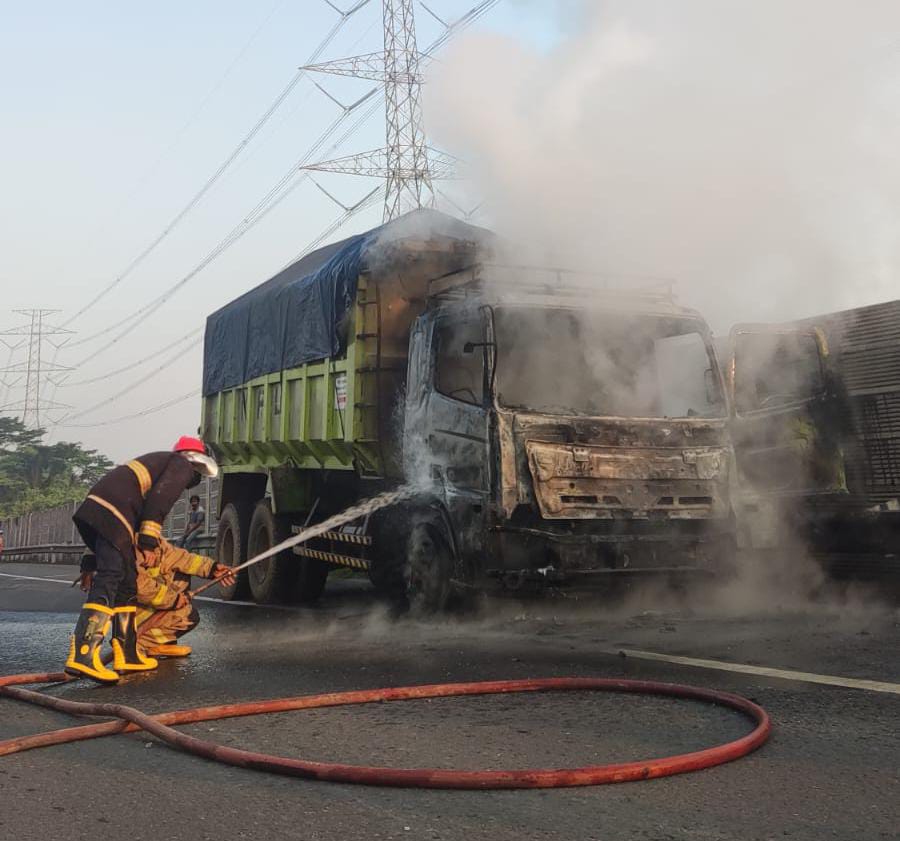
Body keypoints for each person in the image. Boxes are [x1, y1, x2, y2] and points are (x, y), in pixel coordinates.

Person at [66, 436, 219, 684]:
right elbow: (160, 501)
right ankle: (84, 654)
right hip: (114, 514)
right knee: (111, 578)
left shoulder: (157, 464)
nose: (194, 479)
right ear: (194, 459)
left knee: (127, 583)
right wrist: (148, 540)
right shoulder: (179, 463)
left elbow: (107, 529)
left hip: (102, 513)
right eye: (198, 471)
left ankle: (127, 653)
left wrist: (89, 562)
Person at [134, 537, 235, 657]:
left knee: (182, 573)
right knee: (187, 616)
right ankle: (140, 644)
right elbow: (141, 587)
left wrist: (212, 568)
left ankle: (162, 643)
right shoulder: (131, 548)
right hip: (134, 619)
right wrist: (174, 600)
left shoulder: (150, 541)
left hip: (145, 611)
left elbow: (182, 559)